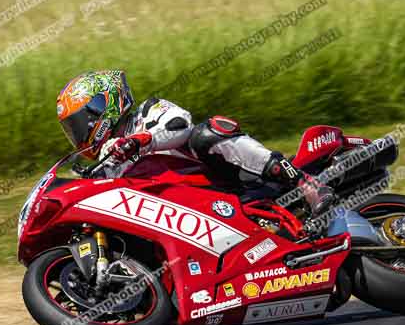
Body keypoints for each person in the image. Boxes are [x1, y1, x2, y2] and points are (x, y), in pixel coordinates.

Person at [56, 70, 333, 230]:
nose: (78, 133)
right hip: (186, 215)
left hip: (221, 179)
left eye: (78, 123)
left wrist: (140, 140)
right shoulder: (107, 161)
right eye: (71, 129)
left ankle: (306, 184)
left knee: (206, 133)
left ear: (103, 107)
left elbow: (180, 125)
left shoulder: (147, 112)